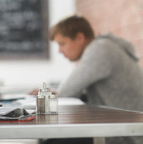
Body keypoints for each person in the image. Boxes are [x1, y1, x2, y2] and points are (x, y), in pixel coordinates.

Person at [45, 15, 143, 144]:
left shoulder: (100, 49)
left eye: (62, 43)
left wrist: (53, 93)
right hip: (123, 130)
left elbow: (66, 92)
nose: (59, 51)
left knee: (52, 142)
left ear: (80, 37)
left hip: (127, 137)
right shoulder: (105, 46)